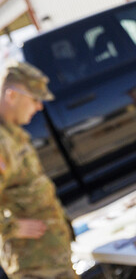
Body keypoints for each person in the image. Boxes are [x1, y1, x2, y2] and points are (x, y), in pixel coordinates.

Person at [0, 61, 76, 279]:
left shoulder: (14, 135)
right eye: (34, 99)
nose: (39, 106)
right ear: (12, 96)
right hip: (34, 266)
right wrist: (10, 227)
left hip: (51, 258)